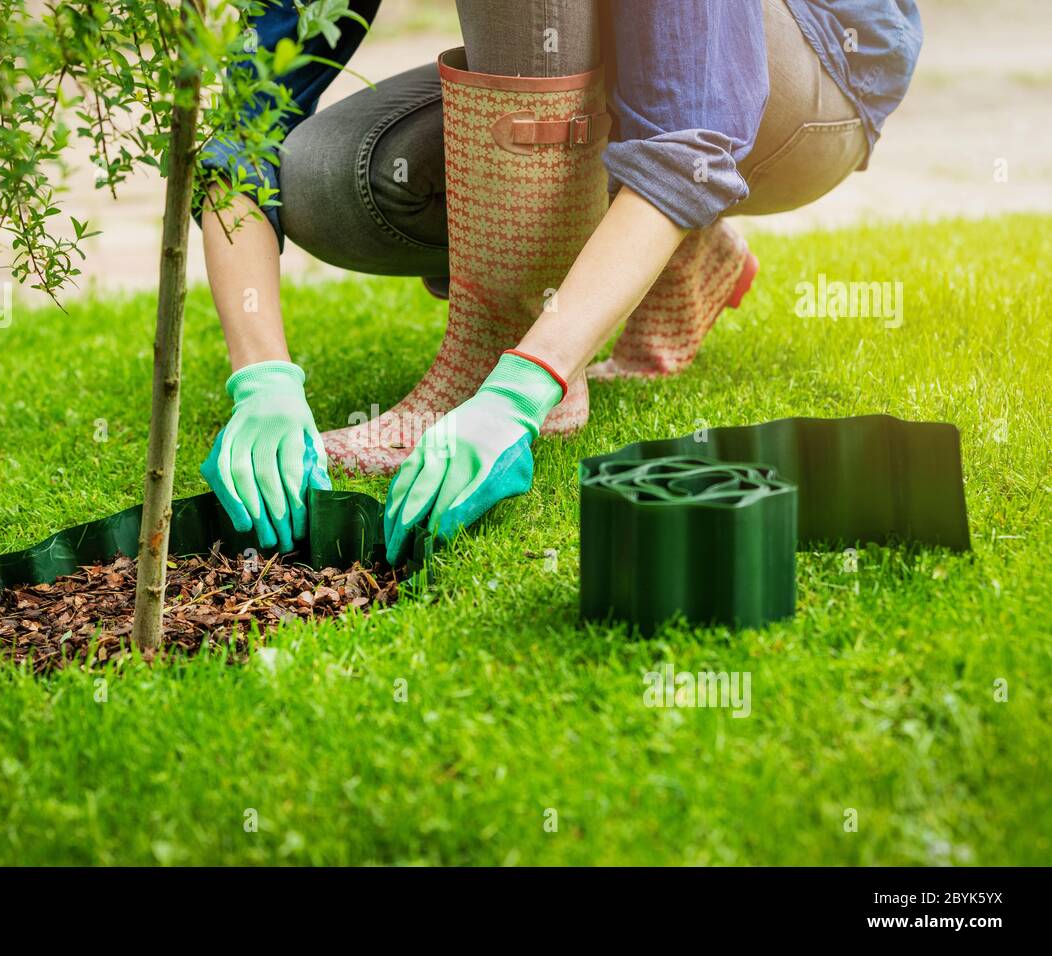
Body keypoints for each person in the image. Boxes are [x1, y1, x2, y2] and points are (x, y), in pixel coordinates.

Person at [198, 0, 923, 562]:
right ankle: (672, 249)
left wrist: (519, 391)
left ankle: (504, 346)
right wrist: (260, 376)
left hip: (813, 81)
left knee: (664, 123)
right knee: (329, 176)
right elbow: (248, 127)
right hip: (633, 82)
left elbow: (691, 132)